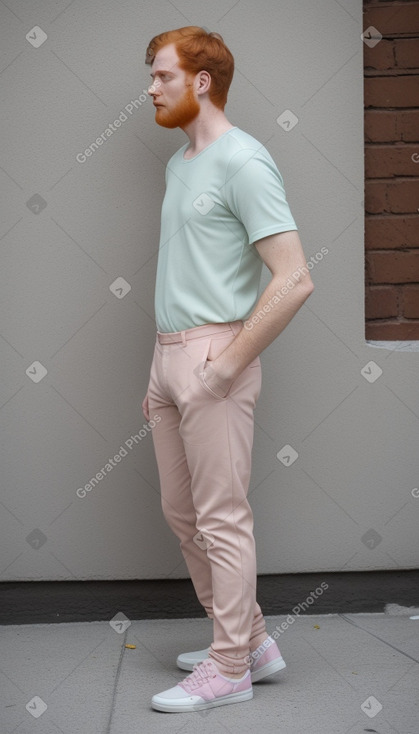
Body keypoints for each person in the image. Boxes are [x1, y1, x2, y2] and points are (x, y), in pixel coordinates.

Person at [142, 26, 314, 713]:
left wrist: (223, 366)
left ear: (201, 81)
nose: (150, 89)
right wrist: (160, 367)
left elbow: (293, 278)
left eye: (161, 76)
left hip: (215, 359)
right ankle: (251, 641)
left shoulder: (245, 161)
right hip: (167, 355)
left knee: (221, 518)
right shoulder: (181, 163)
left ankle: (228, 669)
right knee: (181, 512)